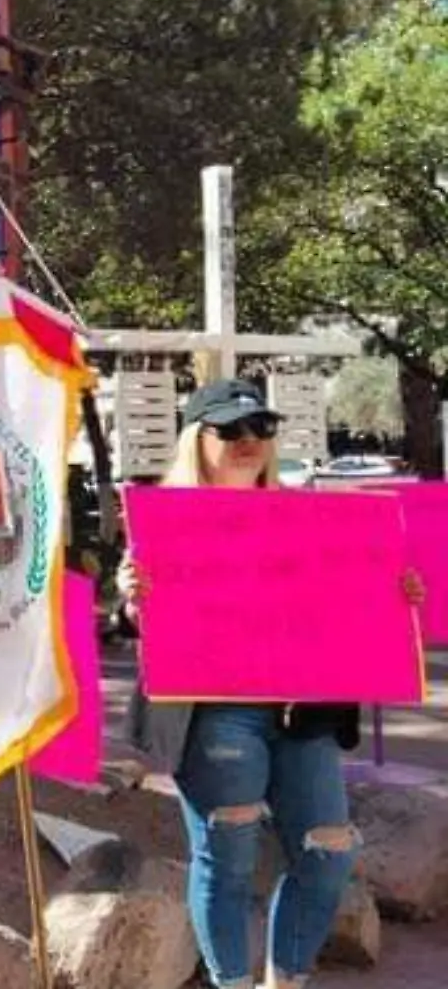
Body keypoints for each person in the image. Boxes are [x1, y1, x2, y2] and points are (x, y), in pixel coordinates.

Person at [121, 379, 421, 989]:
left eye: (259, 428)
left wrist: (397, 594)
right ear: (195, 439)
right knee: (226, 855)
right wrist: (133, 601)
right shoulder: (163, 520)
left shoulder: (310, 517)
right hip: (213, 712)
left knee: (330, 851)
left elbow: (343, 604)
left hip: (301, 710)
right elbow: (145, 620)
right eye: (230, 429)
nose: (248, 440)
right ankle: (232, 982)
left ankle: (284, 980)